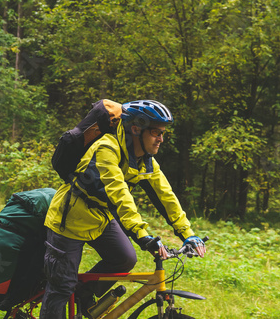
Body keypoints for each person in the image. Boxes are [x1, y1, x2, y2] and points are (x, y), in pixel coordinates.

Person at [40, 100, 206, 319]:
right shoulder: (107, 147)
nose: (161, 139)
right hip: (70, 219)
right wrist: (142, 235)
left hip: (100, 218)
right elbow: (119, 194)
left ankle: (82, 296)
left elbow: (166, 197)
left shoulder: (145, 161)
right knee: (61, 287)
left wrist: (188, 234)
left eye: (163, 133)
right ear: (136, 129)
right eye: (156, 132)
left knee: (125, 259)